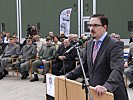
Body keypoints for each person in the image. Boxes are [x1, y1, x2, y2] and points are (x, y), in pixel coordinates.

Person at [65, 14, 129, 100]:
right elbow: (83, 67)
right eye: (90, 25)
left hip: (110, 93)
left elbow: (117, 69)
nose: (91, 28)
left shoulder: (115, 44)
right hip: (94, 92)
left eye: (95, 25)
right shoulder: (89, 44)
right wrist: (66, 77)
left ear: (104, 27)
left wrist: (107, 86)